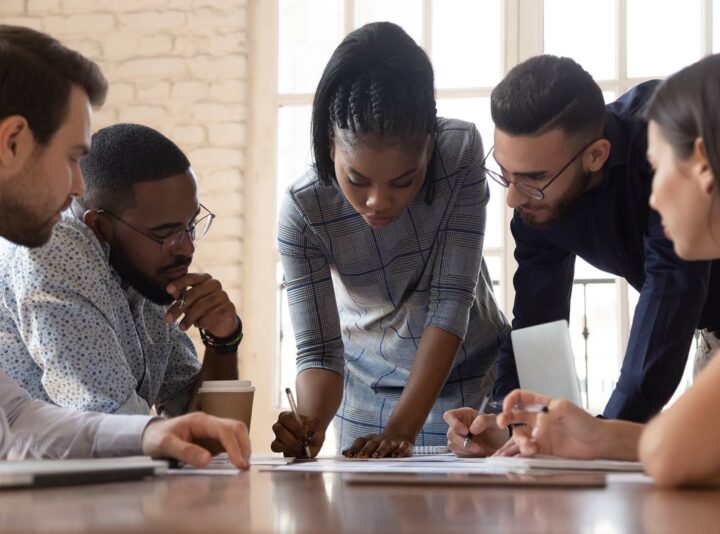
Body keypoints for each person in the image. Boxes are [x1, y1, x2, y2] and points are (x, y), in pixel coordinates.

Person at [450, 53, 720, 488]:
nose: (513, 199)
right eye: (504, 173)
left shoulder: (666, 129)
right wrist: (512, 421)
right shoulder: (535, 200)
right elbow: (537, 319)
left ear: (596, 155)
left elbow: (673, 287)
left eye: (532, 179)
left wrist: (602, 436)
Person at [0, 24, 249, 467]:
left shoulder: (146, 276)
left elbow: (15, 420)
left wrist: (223, 342)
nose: (80, 186)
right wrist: (153, 434)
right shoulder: (59, 244)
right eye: (73, 158)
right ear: (12, 142)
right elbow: (99, 417)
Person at [270, 22, 509, 458]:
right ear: (329, 146)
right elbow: (319, 351)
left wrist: (402, 429)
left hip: (476, 382)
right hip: (367, 398)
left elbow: (450, 302)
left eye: (404, 181)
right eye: (357, 180)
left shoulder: (459, 152)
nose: (378, 201)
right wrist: (310, 425)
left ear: (430, 145)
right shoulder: (302, 211)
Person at [0, 122, 243, 416]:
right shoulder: (53, 249)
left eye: (190, 225)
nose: (188, 248)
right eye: (165, 233)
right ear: (99, 226)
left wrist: (223, 339)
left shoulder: (147, 275)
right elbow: (115, 428)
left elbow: (209, 434)